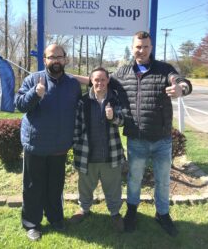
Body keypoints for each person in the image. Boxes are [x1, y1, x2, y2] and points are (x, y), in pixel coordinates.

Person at [72, 31, 192, 237]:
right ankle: (131, 212)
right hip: (136, 140)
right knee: (134, 180)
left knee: (163, 181)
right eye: (138, 46)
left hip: (161, 139)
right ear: (133, 47)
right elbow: (98, 79)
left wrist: (181, 88)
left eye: (145, 46)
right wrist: (68, 78)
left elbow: (181, 81)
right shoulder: (122, 72)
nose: (142, 50)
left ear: (151, 48)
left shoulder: (164, 69)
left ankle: (162, 214)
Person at [14, 44, 81, 241]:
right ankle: (32, 223)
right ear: (44, 60)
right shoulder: (33, 80)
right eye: (51, 57)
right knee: (33, 187)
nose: (56, 61)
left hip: (59, 147)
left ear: (65, 59)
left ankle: (55, 218)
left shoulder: (72, 84)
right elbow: (19, 105)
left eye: (59, 57)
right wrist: (36, 93)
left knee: (55, 186)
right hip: (36, 145)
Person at [70, 67, 125, 232]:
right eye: (96, 80)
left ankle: (115, 213)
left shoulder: (115, 100)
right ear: (91, 81)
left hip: (111, 154)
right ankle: (84, 209)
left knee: (113, 187)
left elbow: (123, 121)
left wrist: (112, 117)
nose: (100, 83)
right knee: (85, 186)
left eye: (103, 79)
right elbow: (76, 126)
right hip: (88, 153)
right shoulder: (83, 101)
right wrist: (75, 145)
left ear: (108, 80)